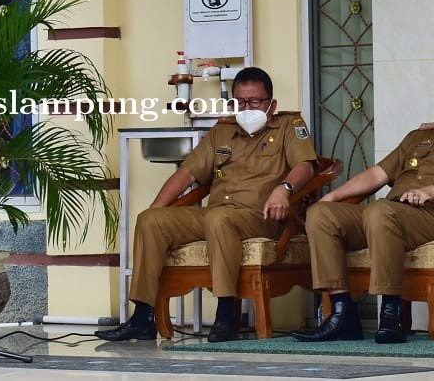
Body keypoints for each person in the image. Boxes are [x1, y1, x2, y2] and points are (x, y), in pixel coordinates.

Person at [291, 57, 434, 345]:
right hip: (390, 215)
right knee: (322, 214)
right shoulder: (419, 135)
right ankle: (343, 313)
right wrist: (333, 197)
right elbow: (378, 173)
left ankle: (391, 313)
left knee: (381, 210)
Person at [95, 67, 318, 343]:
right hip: (216, 216)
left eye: (255, 102)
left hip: (261, 217)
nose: (247, 108)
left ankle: (226, 314)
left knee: (219, 219)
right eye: (240, 102)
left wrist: (284, 190)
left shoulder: (289, 126)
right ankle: (143, 316)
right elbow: (186, 174)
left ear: (271, 104)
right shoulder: (222, 132)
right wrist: (157, 209)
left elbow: (306, 166)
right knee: (150, 220)